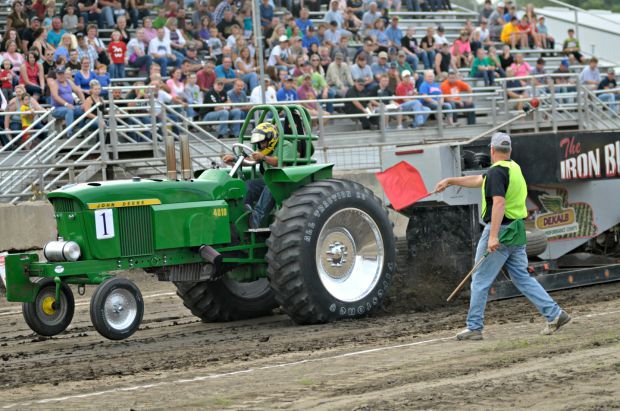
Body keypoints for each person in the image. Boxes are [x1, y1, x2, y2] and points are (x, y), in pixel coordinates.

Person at [434, 132, 571, 340]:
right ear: (509, 150)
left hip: (502, 231)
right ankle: (555, 314)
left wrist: (493, 236)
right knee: (522, 277)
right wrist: (451, 181)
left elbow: (498, 203)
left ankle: (474, 327)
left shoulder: (497, 172)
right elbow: (480, 180)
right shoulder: (512, 168)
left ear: (491, 150)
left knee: (480, 279)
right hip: (517, 229)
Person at [49, 67, 86, 137]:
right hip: (56, 108)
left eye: (62, 73)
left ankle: (79, 129)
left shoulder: (69, 81)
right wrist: (66, 104)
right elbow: (55, 97)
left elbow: (78, 91)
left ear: (65, 74)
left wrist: (83, 103)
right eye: (59, 74)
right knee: (69, 110)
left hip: (69, 107)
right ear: (56, 75)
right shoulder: (54, 83)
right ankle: (70, 133)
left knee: (84, 109)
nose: (61, 76)